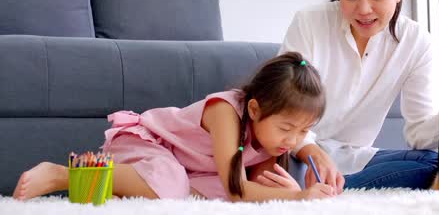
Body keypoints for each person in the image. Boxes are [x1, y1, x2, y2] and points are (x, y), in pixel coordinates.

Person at [12, 52, 335, 202]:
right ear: (254, 108)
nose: (292, 140)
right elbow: (240, 191)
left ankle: (149, 185)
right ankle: (60, 174)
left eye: (303, 131)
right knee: (173, 182)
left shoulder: (273, 138)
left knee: (210, 192)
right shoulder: (226, 111)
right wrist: (300, 198)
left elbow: (251, 189)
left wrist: (289, 192)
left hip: (187, 167)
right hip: (147, 142)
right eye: (287, 128)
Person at [277, 0, 439, 193]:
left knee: (436, 164)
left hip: (354, 158)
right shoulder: (310, 22)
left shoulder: (416, 41)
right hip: (297, 151)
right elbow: (285, 111)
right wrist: (312, 153)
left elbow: (419, 136)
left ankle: (336, 187)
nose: (363, 9)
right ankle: (327, 187)